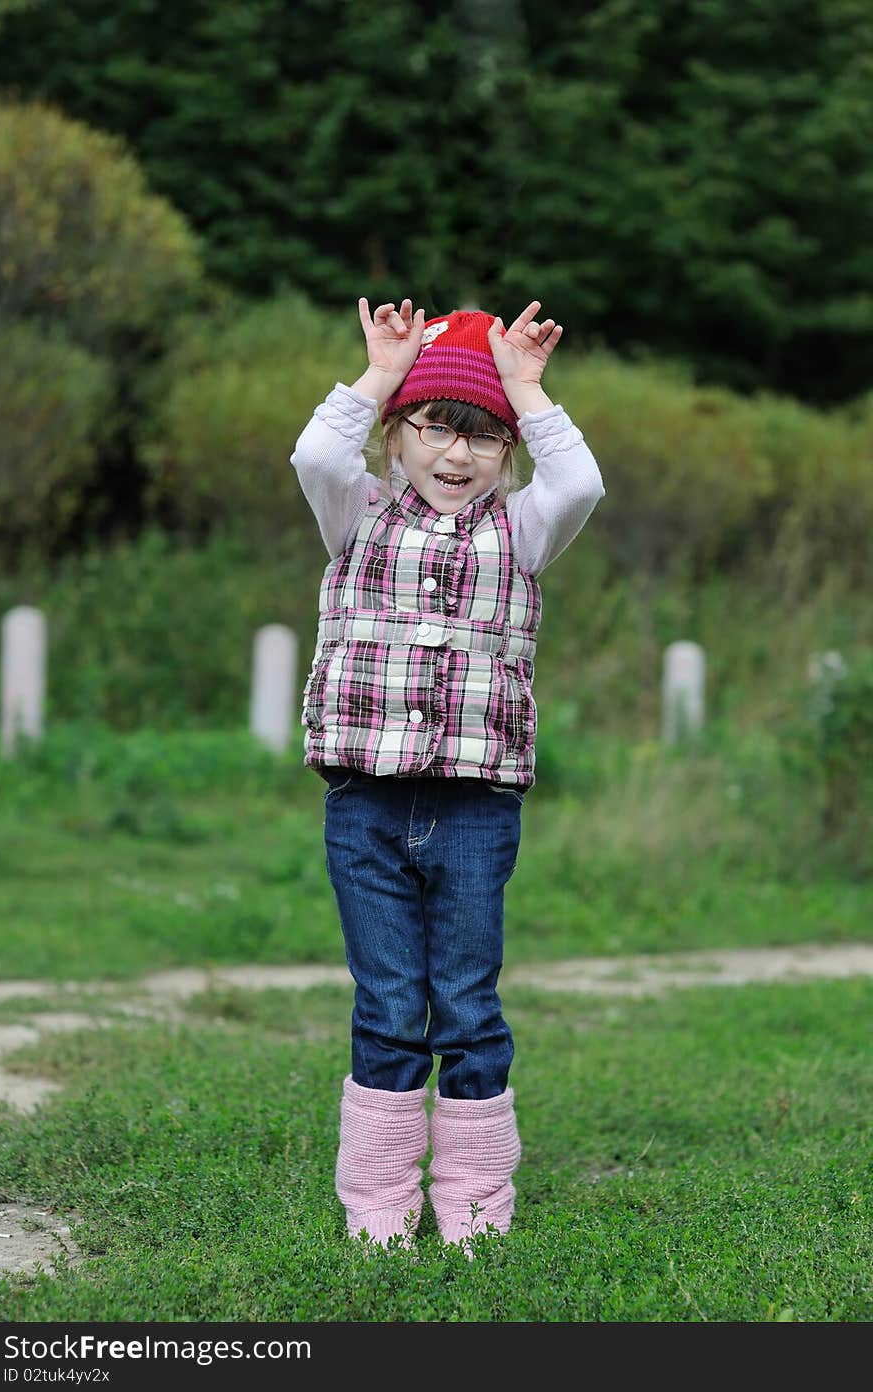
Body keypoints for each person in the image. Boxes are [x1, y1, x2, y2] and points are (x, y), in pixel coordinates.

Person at [290, 296, 605, 1252]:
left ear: (508, 454)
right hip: (367, 804)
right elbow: (314, 455)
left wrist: (526, 388)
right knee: (388, 1003)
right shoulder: (356, 515)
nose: (456, 456)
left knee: (467, 1003)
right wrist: (383, 372)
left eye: (483, 439)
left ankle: (473, 1207)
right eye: (436, 430)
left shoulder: (526, 530)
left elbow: (582, 480)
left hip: (474, 810)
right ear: (399, 436)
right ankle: (380, 1204)